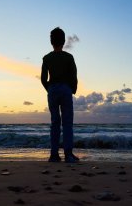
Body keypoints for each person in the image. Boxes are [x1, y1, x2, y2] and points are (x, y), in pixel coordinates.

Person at [41, 27, 79, 163]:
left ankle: (54, 155)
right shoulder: (68, 57)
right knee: (67, 123)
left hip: (52, 89)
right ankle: (68, 155)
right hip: (65, 89)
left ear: (51, 41)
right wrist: (72, 89)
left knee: (55, 122)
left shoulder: (47, 58)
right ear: (63, 41)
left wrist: (49, 88)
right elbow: (74, 76)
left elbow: (43, 78)